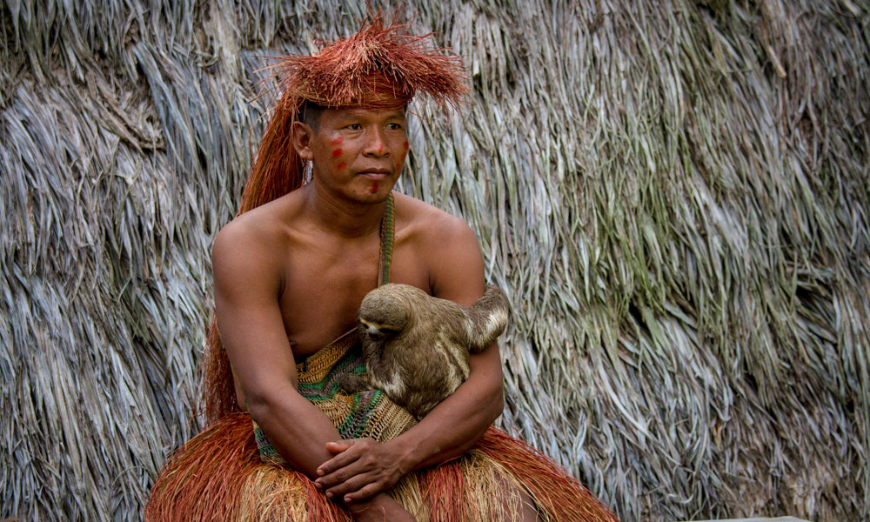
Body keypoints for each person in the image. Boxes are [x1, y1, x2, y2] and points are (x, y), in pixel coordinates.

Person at [146, 13, 618, 522]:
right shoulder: (251, 246)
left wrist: (397, 457)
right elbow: (267, 396)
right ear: (305, 143)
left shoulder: (443, 239)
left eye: (393, 125)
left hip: (413, 437)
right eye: (353, 127)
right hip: (297, 453)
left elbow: (484, 388)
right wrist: (373, 506)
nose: (378, 147)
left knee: (508, 511)